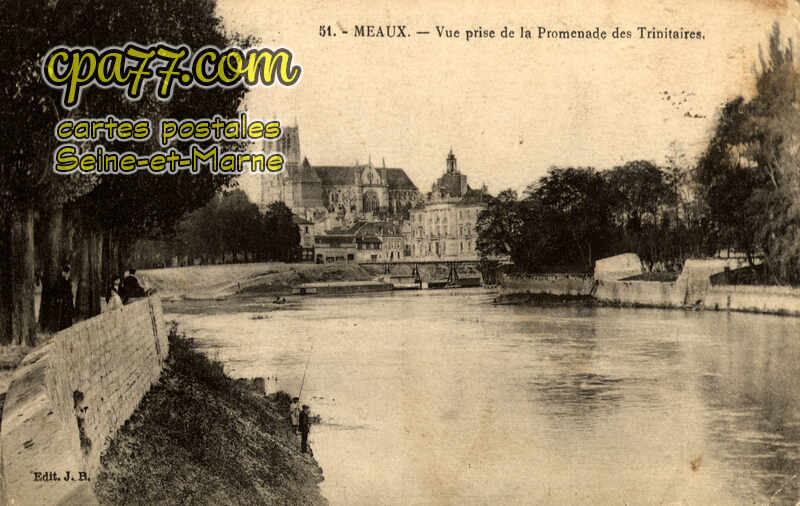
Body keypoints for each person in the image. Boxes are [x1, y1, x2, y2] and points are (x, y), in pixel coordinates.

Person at [54, 262, 74, 331]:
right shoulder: (60, 280)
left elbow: (69, 291)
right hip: (62, 301)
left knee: (68, 315)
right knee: (62, 316)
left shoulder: (68, 280)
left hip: (68, 300)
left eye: (68, 273)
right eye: (66, 272)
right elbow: (58, 290)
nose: (68, 274)